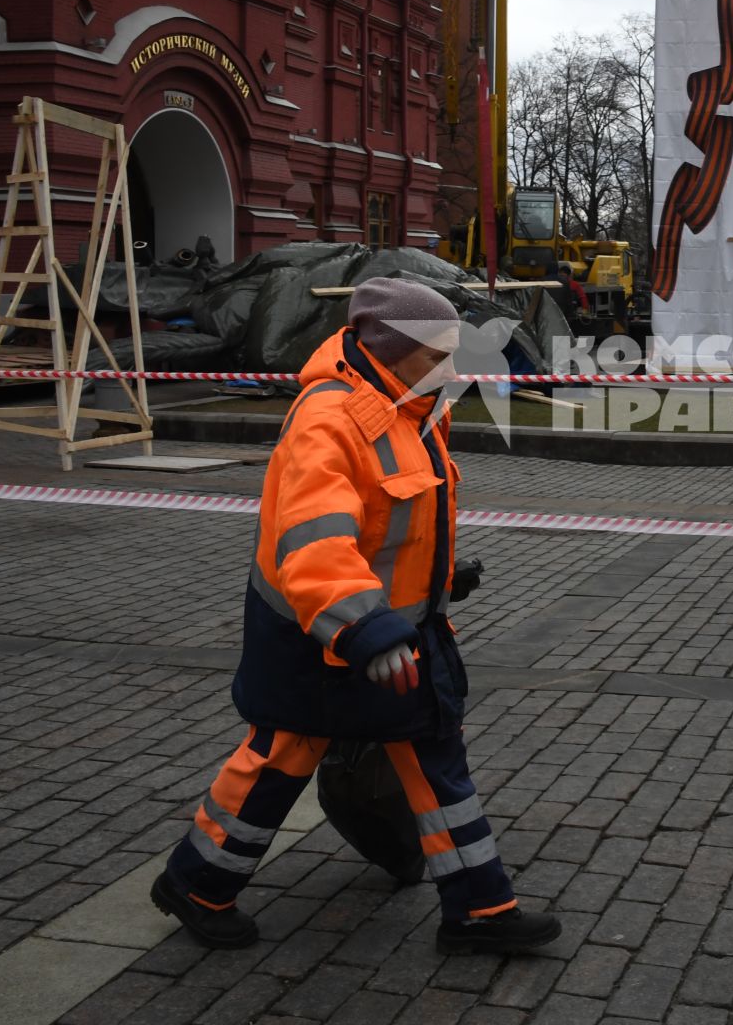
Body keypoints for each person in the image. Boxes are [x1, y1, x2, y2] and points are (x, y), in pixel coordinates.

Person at [152, 277, 560, 956]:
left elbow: (387, 519)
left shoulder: (405, 402)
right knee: (278, 762)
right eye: (440, 354)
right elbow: (314, 542)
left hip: (384, 636)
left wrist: (438, 574)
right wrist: (367, 627)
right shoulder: (331, 419)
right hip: (323, 641)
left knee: (433, 760)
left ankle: (481, 908)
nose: (453, 370)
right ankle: (196, 883)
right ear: (395, 349)